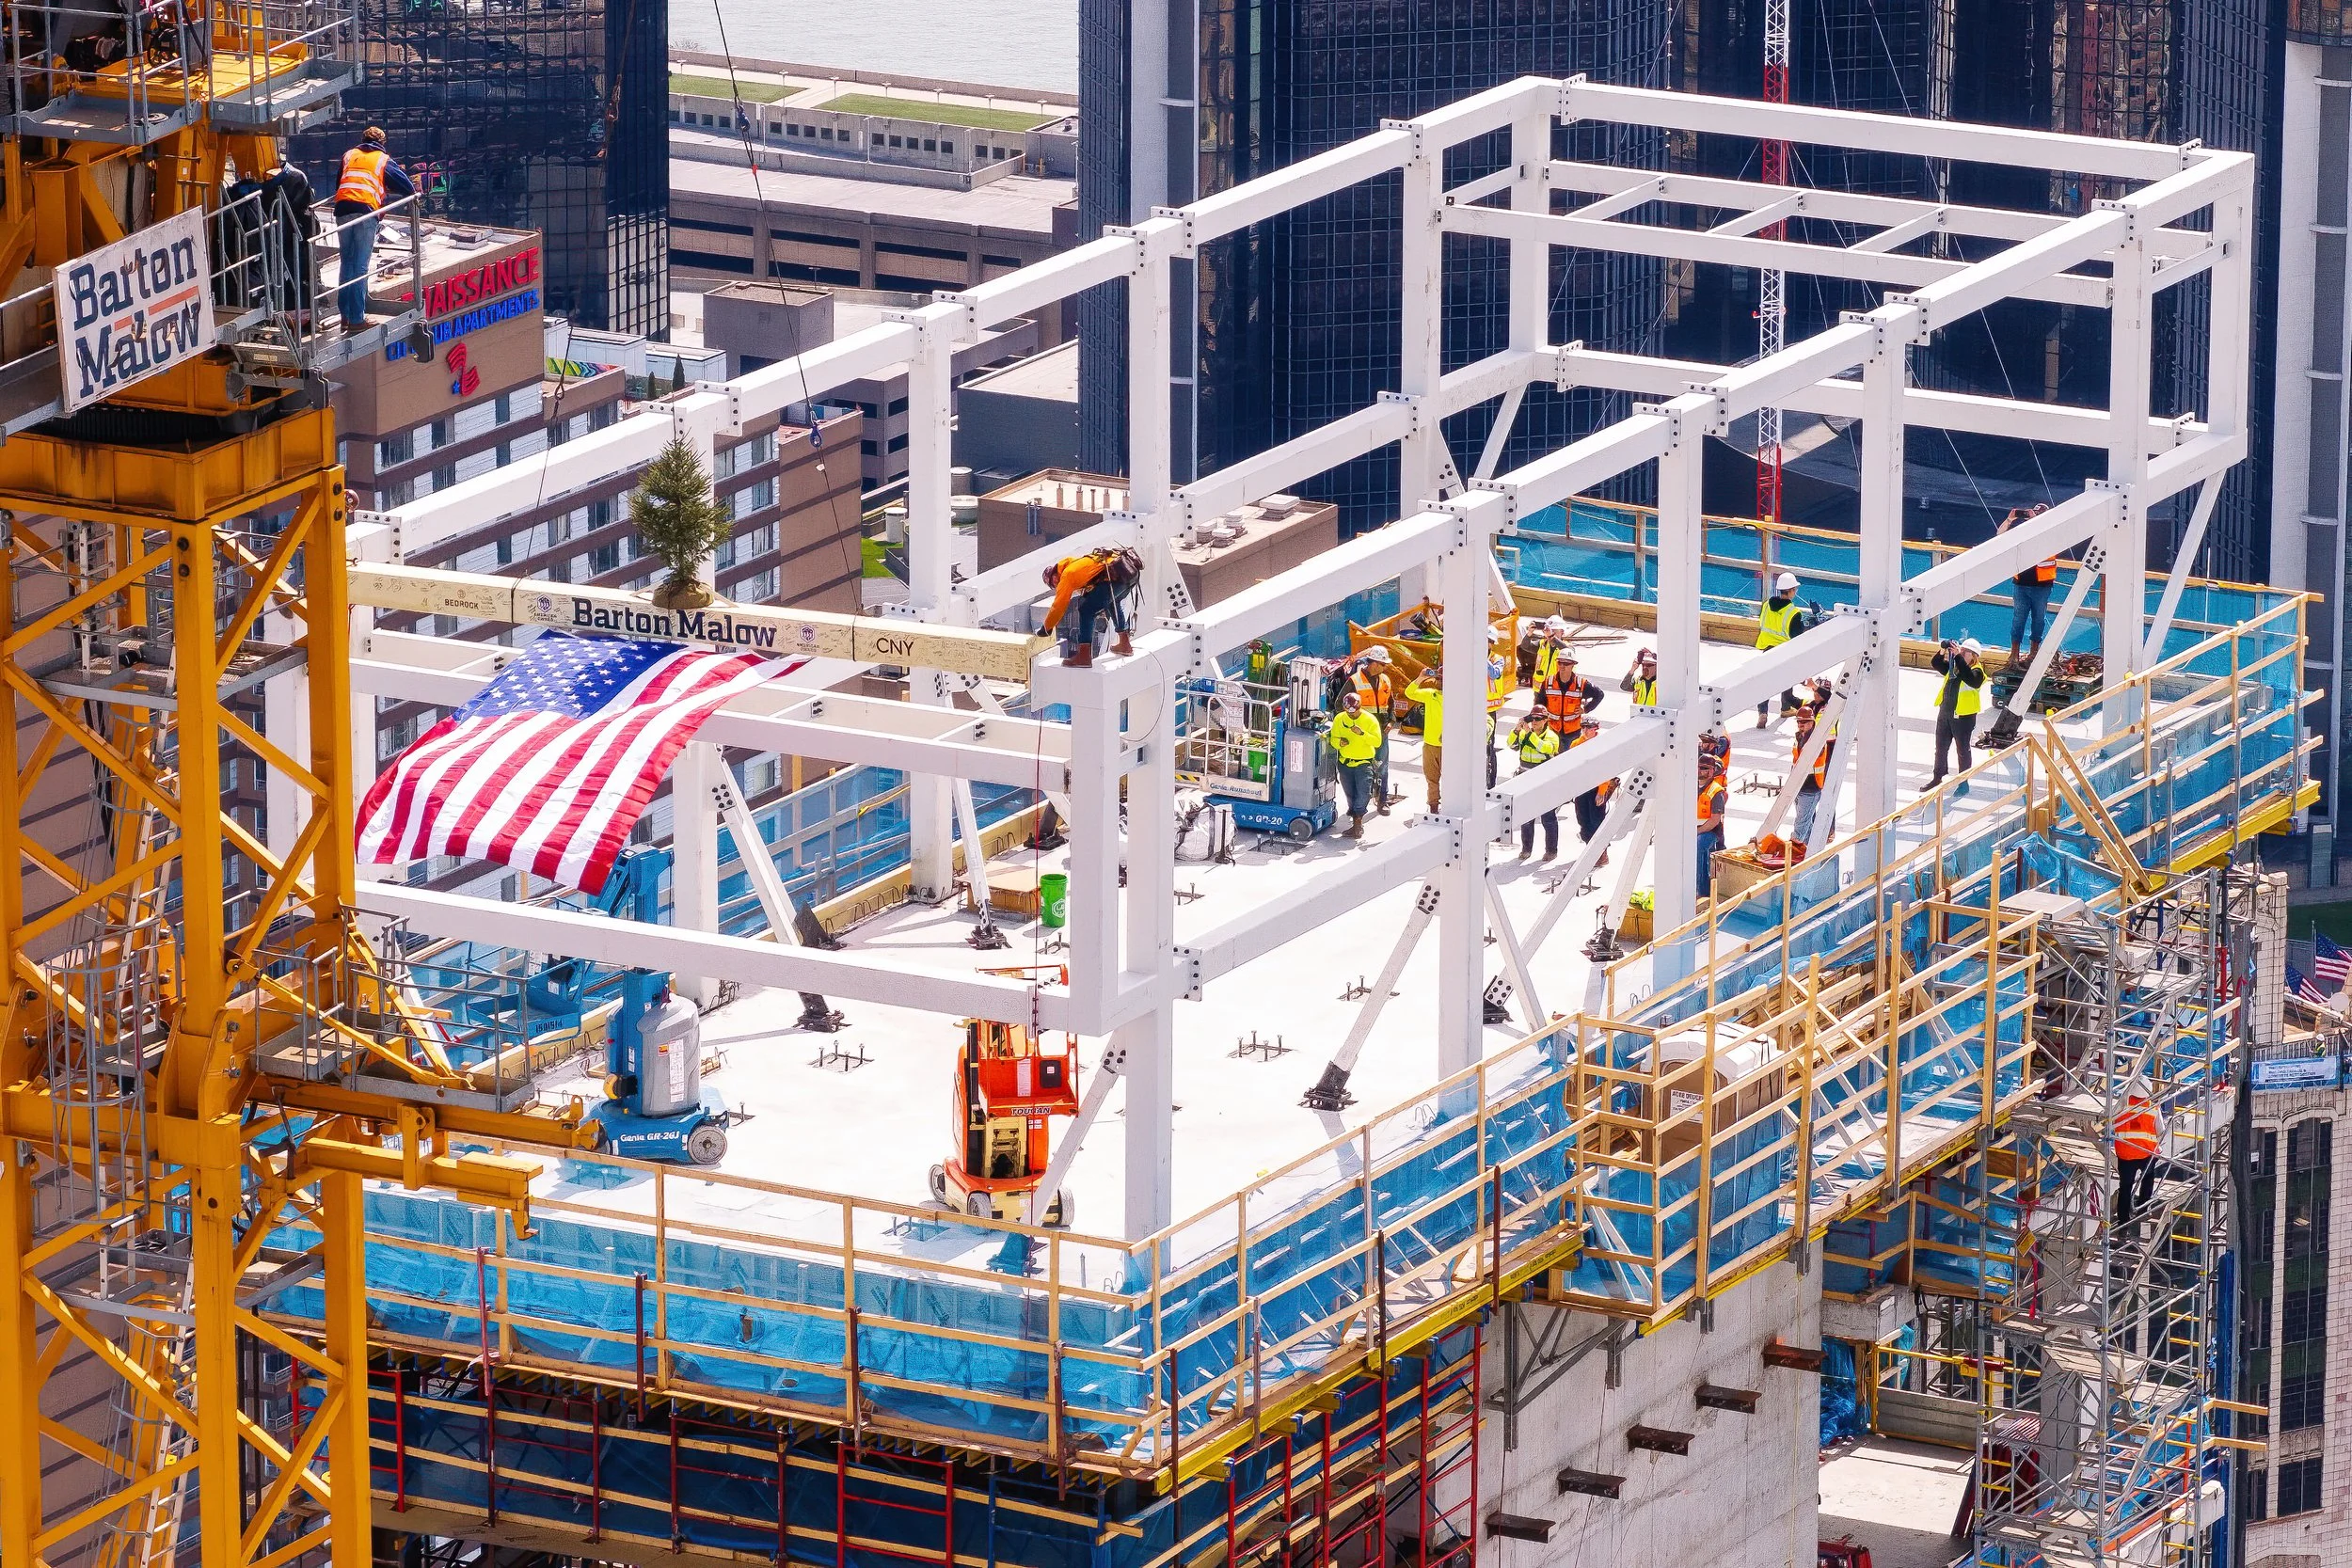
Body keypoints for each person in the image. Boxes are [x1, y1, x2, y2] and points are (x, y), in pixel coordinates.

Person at [333, 126, 417, 332]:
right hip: (365, 212)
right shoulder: (382, 159)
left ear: (362, 139)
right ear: (382, 143)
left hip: (342, 209)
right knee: (360, 267)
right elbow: (407, 186)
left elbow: (340, 183)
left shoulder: (349, 155)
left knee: (347, 262)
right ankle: (357, 319)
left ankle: (345, 315)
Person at [1041, 547, 1141, 667]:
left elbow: (1058, 606)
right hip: (1128, 574)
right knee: (1113, 603)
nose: (1056, 585)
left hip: (1115, 578)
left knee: (1086, 610)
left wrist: (1047, 627)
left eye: (1054, 584)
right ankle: (1125, 644)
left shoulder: (1066, 576)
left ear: (1055, 577)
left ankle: (1084, 656)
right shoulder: (1076, 564)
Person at [2000, 505, 2057, 665]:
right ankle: (2014, 655)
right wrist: (2010, 519)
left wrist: (2035, 521)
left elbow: (2047, 541)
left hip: (2042, 585)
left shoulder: (2052, 532)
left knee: (2038, 620)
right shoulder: (2023, 532)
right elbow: (2000, 536)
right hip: (2021, 583)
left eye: (2038, 514)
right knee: (2018, 619)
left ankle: (2033, 653)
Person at [1930, 636, 1988, 791]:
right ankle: (1937, 776)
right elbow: (1935, 664)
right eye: (1961, 651)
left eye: (1965, 652)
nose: (1961, 654)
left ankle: (1963, 782)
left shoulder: (1978, 673)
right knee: (1941, 748)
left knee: (1962, 750)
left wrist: (1958, 658)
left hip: (1963, 717)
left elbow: (1970, 679)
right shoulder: (1955, 667)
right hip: (1946, 713)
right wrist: (1943, 650)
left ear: (1974, 656)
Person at [1327, 689, 1384, 839]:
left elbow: (1377, 742)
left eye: (1354, 713)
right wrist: (1340, 743)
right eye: (1349, 713)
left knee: (1363, 794)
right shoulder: (1340, 719)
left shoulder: (1370, 720)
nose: (1351, 715)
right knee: (1350, 794)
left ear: (1360, 707)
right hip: (1345, 764)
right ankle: (1355, 819)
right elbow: (1333, 740)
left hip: (1363, 764)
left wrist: (1362, 734)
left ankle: (1358, 822)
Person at [1755, 570, 1810, 726]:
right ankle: (1787, 706)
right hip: (1783, 651)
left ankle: (1763, 712)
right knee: (1787, 679)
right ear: (1791, 591)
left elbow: (1762, 623)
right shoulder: (1793, 612)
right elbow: (1797, 638)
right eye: (1795, 589)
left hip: (1767, 647)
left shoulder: (1766, 605)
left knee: (1765, 681)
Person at [1347, 646, 1396, 815]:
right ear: (1373, 663)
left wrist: (1391, 720)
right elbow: (1341, 705)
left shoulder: (1385, 680)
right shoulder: (1354, 681)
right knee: (1360, 770)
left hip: (1381, 733)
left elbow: (1391, 703)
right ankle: (1357, 807)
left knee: (1382, 767)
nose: (1385, 667)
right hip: (1362, 735)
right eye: (1382, 664)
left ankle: (1382, 801)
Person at [1508, 711, 1562, 860]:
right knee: (1526, 817)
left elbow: (1543, 748)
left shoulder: (1552, 736)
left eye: (1538, 719)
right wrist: (1516, 730)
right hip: (1526, 780)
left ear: (1545, 720)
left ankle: (1551, 850)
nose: (1535, 722)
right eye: (1532, 719)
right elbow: (1511, 744)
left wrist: (1529, 733)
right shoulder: (1524, 734)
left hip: (1544, 781)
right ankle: (1526, 849)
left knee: (1548, 818)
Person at [2113, 1087, 2161, 1226]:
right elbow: (2161, 1130)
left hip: (2125, 1154)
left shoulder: (2120, 1105)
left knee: (2125, 1187)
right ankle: (2143, 1209)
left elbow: (2111, 1123)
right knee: (2148, 1178)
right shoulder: (2152, 1106)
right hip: (2146, 1152)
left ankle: (2123, 1220)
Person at [1572, 717, 1614, 865]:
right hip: (1581, 788)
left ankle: (1601, 854)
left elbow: (1606, 770)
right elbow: (1572, 768)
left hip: (1596, 789)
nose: (1585, 730)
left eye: (1588, 728)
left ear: (1595, 729)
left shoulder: (1601, 745)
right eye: (1583, 727)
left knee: (1596, 821)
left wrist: (1602, 791)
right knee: (1583, 820)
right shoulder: (1577, 744)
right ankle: (1589, 850)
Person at [1536, 647, 1604, 738]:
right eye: (1560, 663)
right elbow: (1539, 703)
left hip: (1572, 732)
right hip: (1553, 729)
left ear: (1573, 665)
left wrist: (1586, 709)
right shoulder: (1549, 682)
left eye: (1566, 663)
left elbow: (1599, 694)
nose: (1562, 666)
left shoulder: (1581, 684)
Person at [1405, 665, 1446, 813]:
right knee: (1432, 779)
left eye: (1442, 679)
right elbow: (1409, 692)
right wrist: (1420, 678)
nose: (1439, 682)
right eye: (1438, 678)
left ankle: (1448, 807)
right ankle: (1433, 807)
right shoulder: (1430, 695)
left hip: (1449, 747)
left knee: (1450, 780)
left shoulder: (1458, 698)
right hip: (1430, 745)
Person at [1791, 707, 1835, 847]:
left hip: (1811, 788)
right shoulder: (1800, 737)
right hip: (1799, 786)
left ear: (1812, 722)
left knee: (1801, 825)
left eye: (1804, 722)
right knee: (1807, 822)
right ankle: (1809, 852)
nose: (1800, 725)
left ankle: (1794, 854)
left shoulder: (1817, 740)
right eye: (1799, 722)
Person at [1696, 748, 1728, 897]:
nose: (1700, 771)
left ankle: (1703, 891)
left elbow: (1715, 820)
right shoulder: (1691, 787)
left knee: (1698, 847)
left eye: (1704, 768)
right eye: (1698, 767)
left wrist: (1697, 831)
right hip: (1695, 829)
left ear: (1711, 771)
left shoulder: (1716, 791)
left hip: (1710, 831)